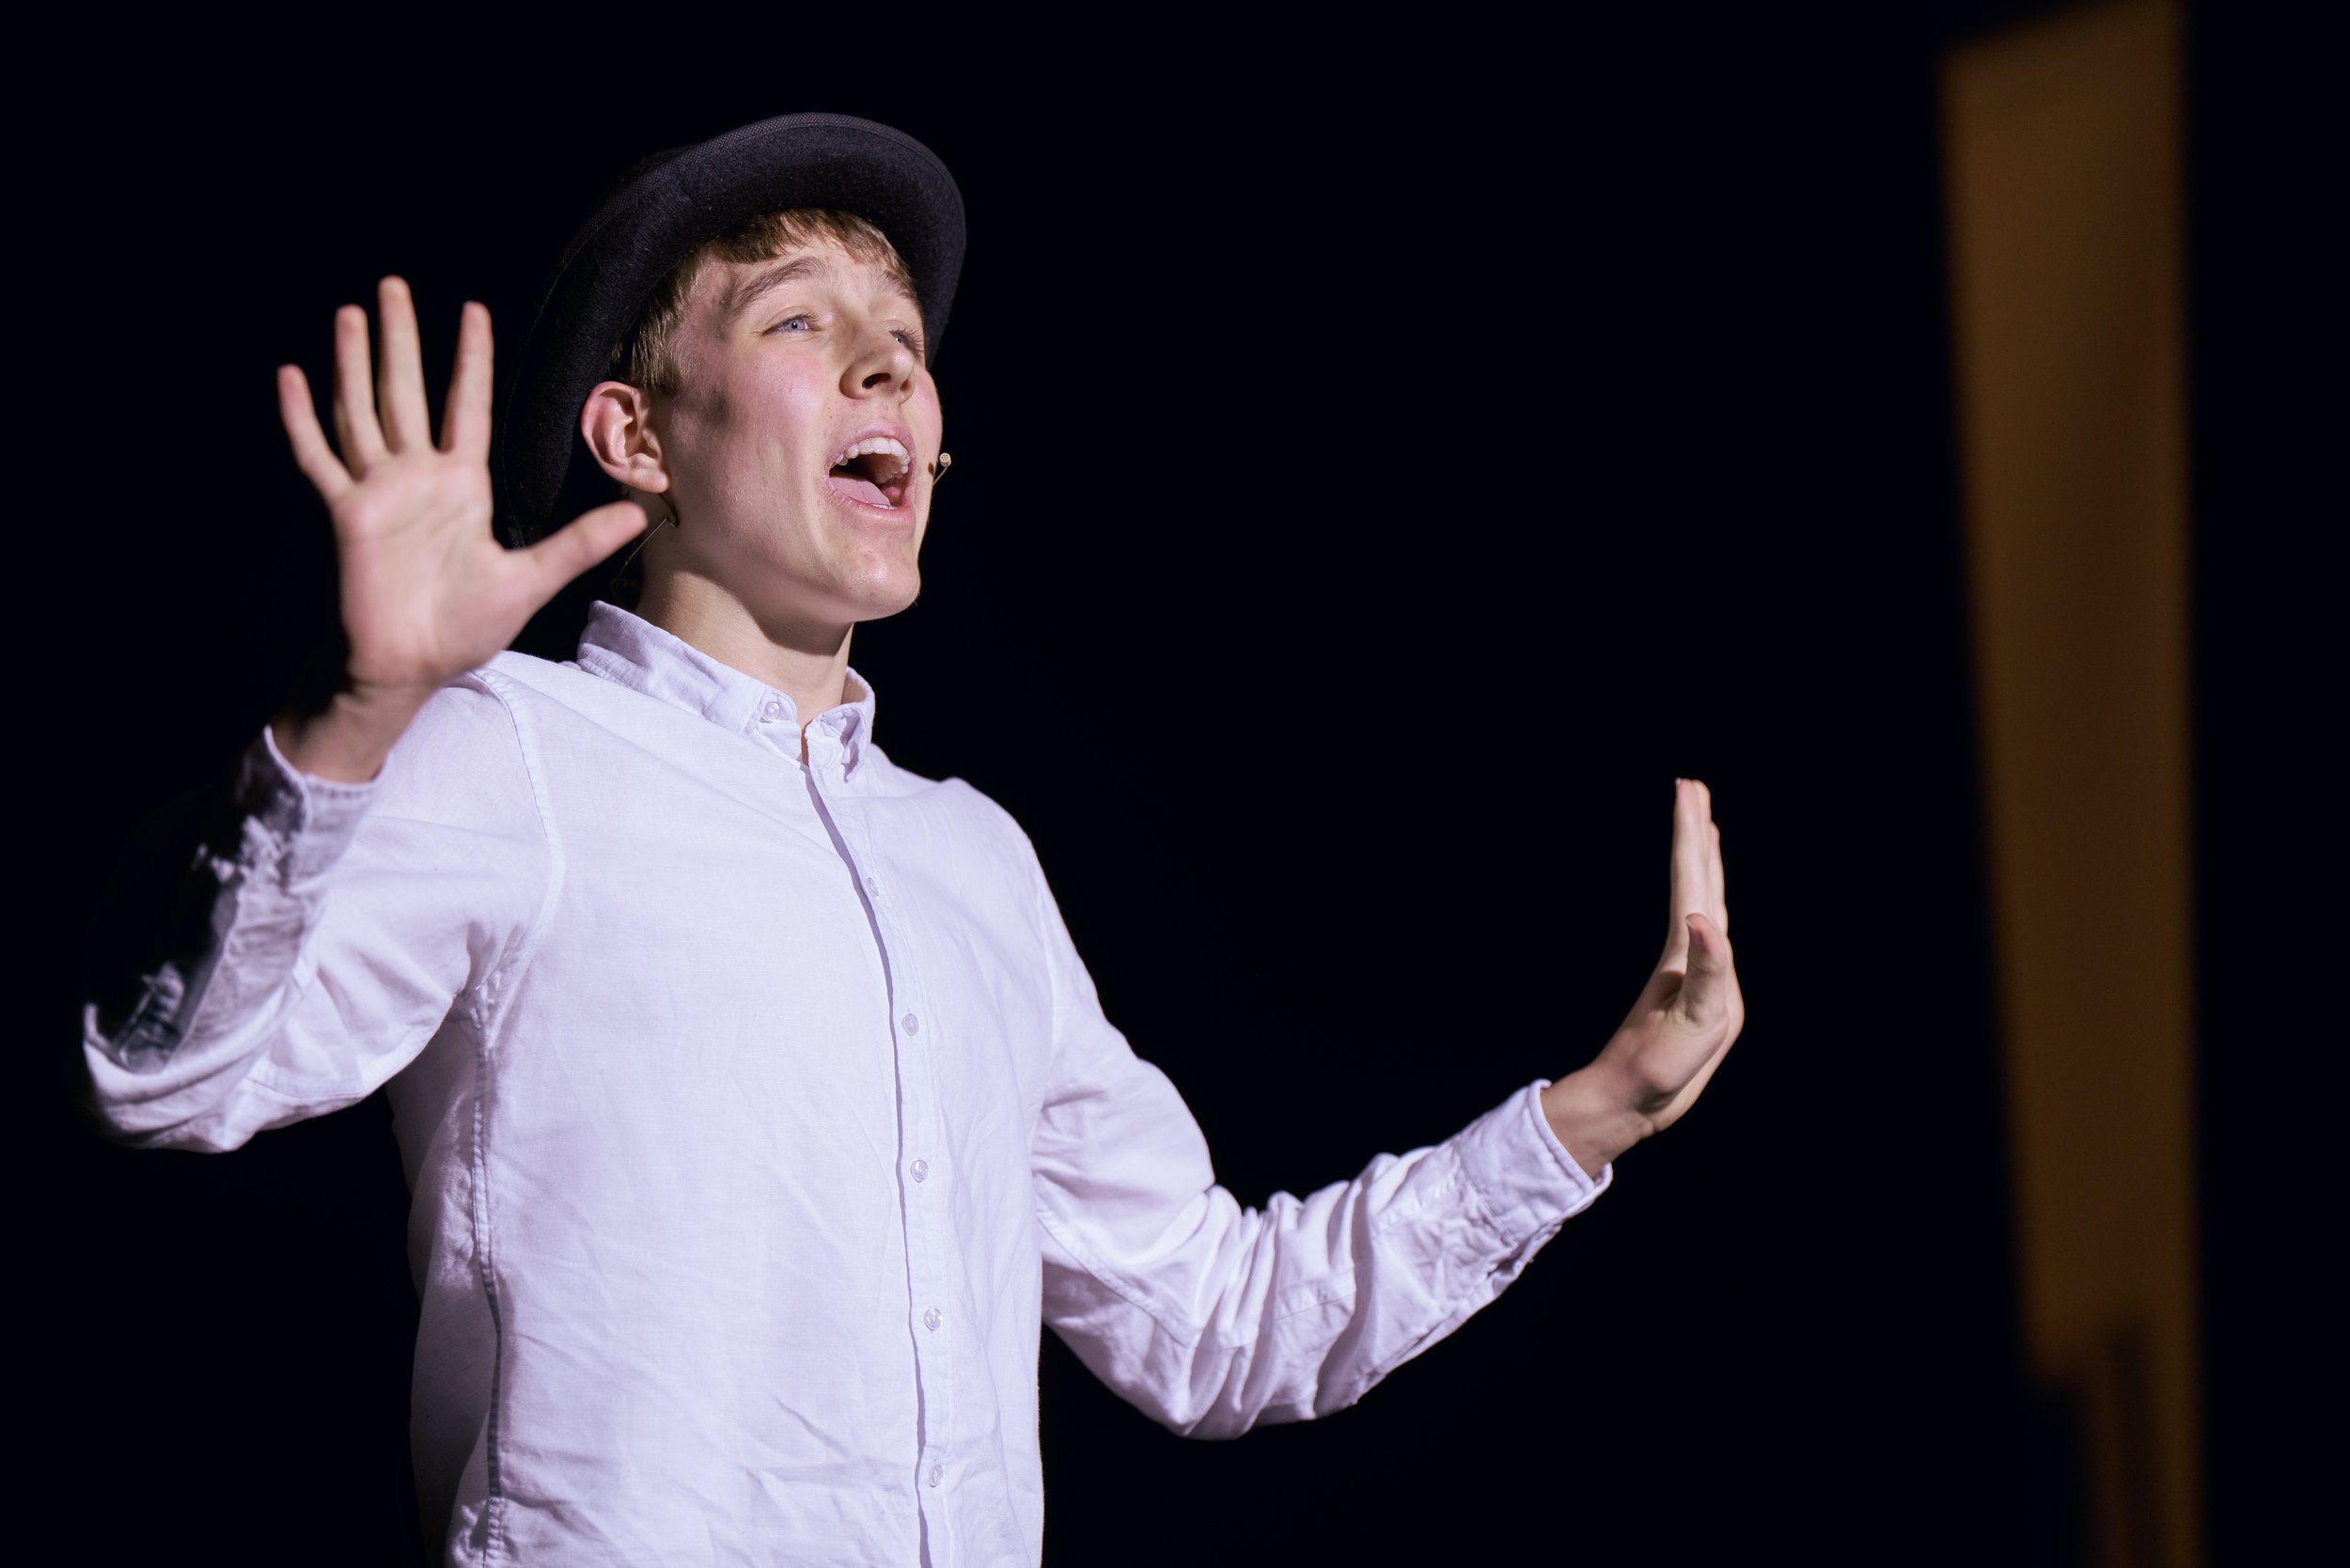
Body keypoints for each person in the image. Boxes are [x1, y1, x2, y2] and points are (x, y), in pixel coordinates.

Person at [76, 113, 1744, 1565]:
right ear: (636, 438)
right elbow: (170, 1080)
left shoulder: (975, 863)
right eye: (804, 322)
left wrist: (1593, 1116)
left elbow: (1214, 1323)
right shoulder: (511, 752)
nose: (892, 364)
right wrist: (356, 720)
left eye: (906, 337)